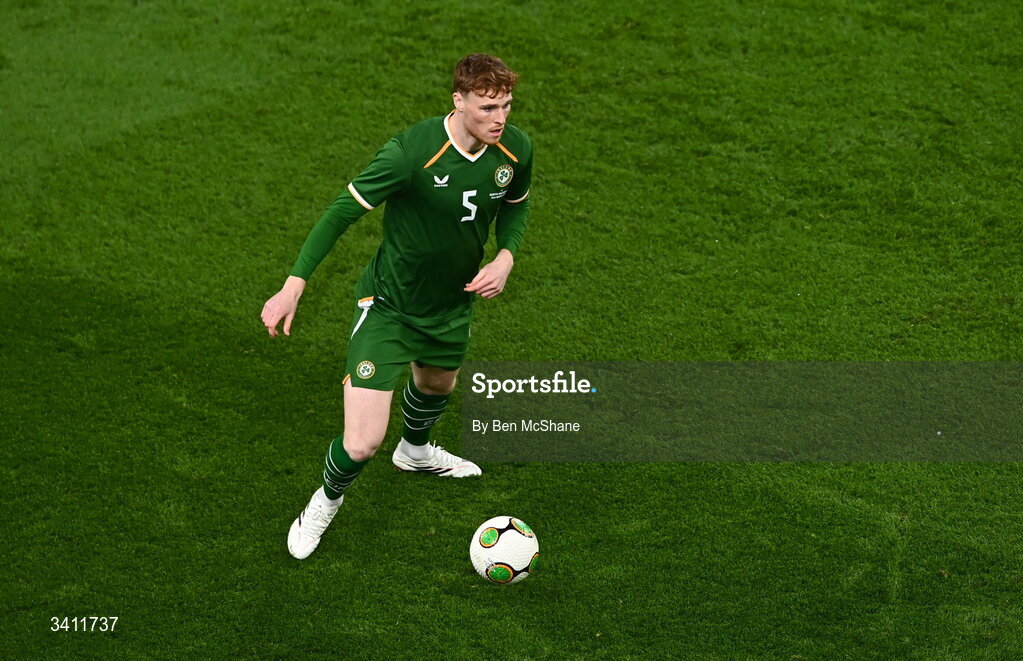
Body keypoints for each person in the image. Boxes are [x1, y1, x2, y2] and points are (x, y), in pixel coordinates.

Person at [261, 54, 532, 560]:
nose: (500, 119)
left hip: (451, 305)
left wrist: (506, 256)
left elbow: (515, 206)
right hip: (389, 307)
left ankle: (415, 452)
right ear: (458, 101)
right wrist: (294, 285)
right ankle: (324, 502)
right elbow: (341, 212)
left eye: (507, 106)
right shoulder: (411, 154)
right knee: (362, 443)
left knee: (437, 386)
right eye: (487, 107)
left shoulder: (515, 149)